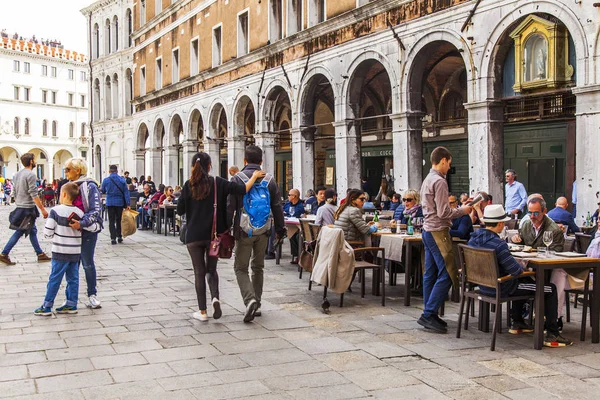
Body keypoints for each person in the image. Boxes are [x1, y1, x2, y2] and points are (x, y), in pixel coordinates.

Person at [468, 204, 572, 347]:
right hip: (502, 287)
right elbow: (515, 271)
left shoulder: (472, 239)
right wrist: (523, 266)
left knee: (525, 280)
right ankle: (552, 333)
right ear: (500, 224)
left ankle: (517, 322)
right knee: (550, 289)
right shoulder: (498, 244)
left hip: (484, 285)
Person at [177, 152, 264, 322]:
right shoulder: (218, 182)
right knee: (211, 270)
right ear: (210, 166)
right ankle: (215, 298)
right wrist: (253, 177)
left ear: (193, 166)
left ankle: (202, 312)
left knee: (198, 272)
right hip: (214, 236)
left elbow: (180, 210)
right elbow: (242, 189)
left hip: (193, 236)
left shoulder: (188, 185)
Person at [228, 146, 286, 322]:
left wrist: (226, 229)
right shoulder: (270, 180)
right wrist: (280, 230)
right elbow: (277, 207)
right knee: (258, 267)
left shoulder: (238, 179)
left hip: (244, 230)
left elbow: (230, 206)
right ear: (261, 161)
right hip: (264, 230)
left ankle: (249, 299)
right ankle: (257, 303)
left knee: (240, 267)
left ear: (244, 161)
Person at [418, 146, 472, 333]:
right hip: (438, 232)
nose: (449, 167)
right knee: (448, 274)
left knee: (431, 273)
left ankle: (430, 313)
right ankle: (429, 313)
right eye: (449, 163)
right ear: (443, 160)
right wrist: (463, 211)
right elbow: (444, 212)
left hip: (427, 230)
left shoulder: (427, 179)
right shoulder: (440, 181)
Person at [512, 197, 570, 330]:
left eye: (536, 213)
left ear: (544, 211)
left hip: (547, 269)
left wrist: (535, 252)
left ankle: (553, 321)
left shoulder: (554, 229)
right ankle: (518, 319)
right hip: (531, 268)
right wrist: (517, 240)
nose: (532, 216)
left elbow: (555, 252)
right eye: (530, 212)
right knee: (518, 276)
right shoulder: (526, 225)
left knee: (558, 276)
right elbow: (523, 244)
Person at [34, 183, 84, 316]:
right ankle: (71, 304)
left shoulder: (55, 211)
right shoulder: (80, 212)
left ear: (64, 194)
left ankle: (47, 305)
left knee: (55, 278)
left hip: (60, 251)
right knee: (73, 278)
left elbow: (48, 232)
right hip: (75, 252)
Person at [64, 158, 104, 309]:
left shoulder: (90, 186)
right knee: (71, 264)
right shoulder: (66, 186)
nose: (66, 172)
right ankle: (70, 299)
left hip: (86, 231)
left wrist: (81, 223)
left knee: (87, 263)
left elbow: (95, 210)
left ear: (78, 170)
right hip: (71, 231)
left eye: (68, 169)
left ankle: (92, 295)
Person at [0, 153, 51, 265]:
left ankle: (40, 253)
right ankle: (4, 253)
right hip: (27, 208)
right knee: (20, 231)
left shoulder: (17, 174)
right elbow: (33, 193)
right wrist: (42, 209)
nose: (36, 161)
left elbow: (15, 190)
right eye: (34, 159)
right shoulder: (31, 175)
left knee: (32, 231)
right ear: (31, 161)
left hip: (21, 206)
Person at [101, 165, 130, 245]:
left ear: (109, 171)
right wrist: (128, 203)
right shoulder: (122, 180)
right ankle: (119, 236)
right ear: (117, 171)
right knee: (118, 220)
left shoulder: (106, 180)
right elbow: (126, 192)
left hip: (110, 202)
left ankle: (113, 238)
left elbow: (103, 190)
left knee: (111, 220)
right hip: (119, 202)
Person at [282, 189, 304, 264]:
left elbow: (296, 214)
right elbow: (283, 211)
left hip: (299, 227)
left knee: (296, 236)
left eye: (289, 195)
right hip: (289, 225)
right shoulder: (287, 203)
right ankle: (296, 255)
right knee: (290, 234)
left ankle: (299, 256)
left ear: (294, 196)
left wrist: (287, 213)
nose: (288, 196)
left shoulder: (300, 206)